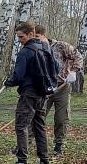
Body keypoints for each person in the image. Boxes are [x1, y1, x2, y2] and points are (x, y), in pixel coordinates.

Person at [2, 21, 55, 164]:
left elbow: (18, 76)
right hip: (42, 94)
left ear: (31, 34)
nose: (20, 40)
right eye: (18, 38)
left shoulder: (25, 52)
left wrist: (9, 81)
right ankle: (45, 161)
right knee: (39, 126)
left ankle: (22, 162)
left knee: (21, 125)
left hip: (29, 94)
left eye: (22, 37)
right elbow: (55, 69)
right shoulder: (46, 49)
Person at [34, 24, 83, 156]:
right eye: (33, 37)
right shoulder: (33, 49)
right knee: (37, 115)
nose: (36, 40)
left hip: (62, 87)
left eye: (37, 37)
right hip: (44, 89)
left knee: (61, 118)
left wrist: (73, 71)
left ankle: (59, 145)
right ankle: (25, 144)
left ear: (44, 35)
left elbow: (77, 56)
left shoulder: (61, 46)